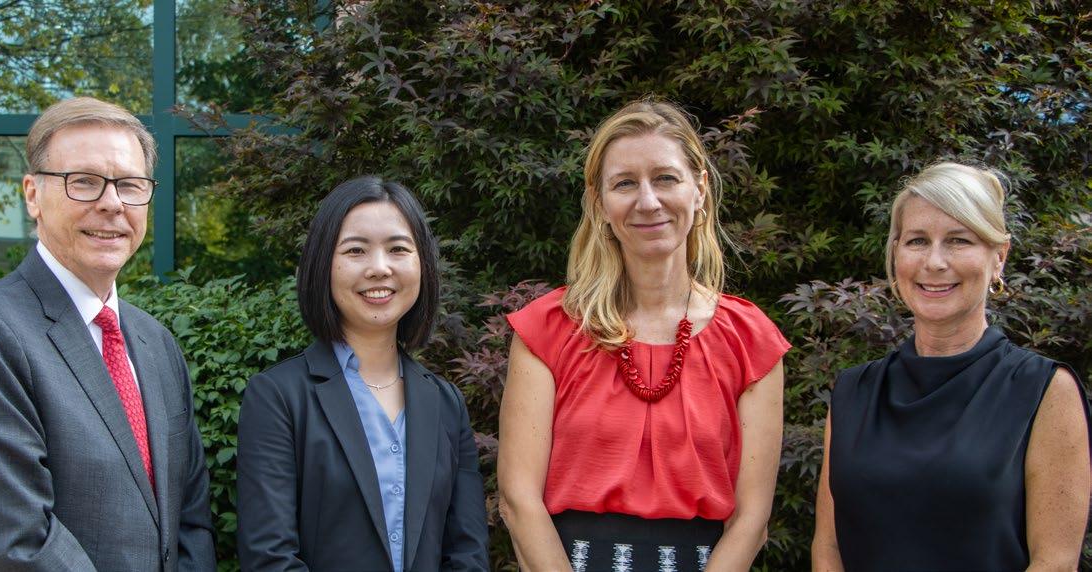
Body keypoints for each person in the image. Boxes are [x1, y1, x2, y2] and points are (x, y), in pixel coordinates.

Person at [498, 99, 790, 571]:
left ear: (699, 189)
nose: (648, 201)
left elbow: (752, 519)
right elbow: (518, 500)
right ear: (599, 203)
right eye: (625, 183)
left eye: (666, 178)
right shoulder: (548, 330)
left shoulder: (749, 340)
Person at [0, 97, 216, 570]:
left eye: (129, 184)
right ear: (32, 195)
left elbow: (190, 520)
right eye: (83, 181)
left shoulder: (156, 343)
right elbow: (15, 542)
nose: (112, 203)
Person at [811, 162, 1091, 570]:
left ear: (999, 257)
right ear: (896, 253)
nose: (935, 262)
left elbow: (1055, 562)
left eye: (958, 240)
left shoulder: (1045, 390)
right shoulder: (854, 392)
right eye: (917, 241)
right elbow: (828, 548)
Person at [236, 176, 490, 571]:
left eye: (398, 249)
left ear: (422, 264)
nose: (379, 268)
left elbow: (467, 554)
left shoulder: (445, 403)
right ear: (323, 264)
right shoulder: (278, 397)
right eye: (356, 250)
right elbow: (270, 558)